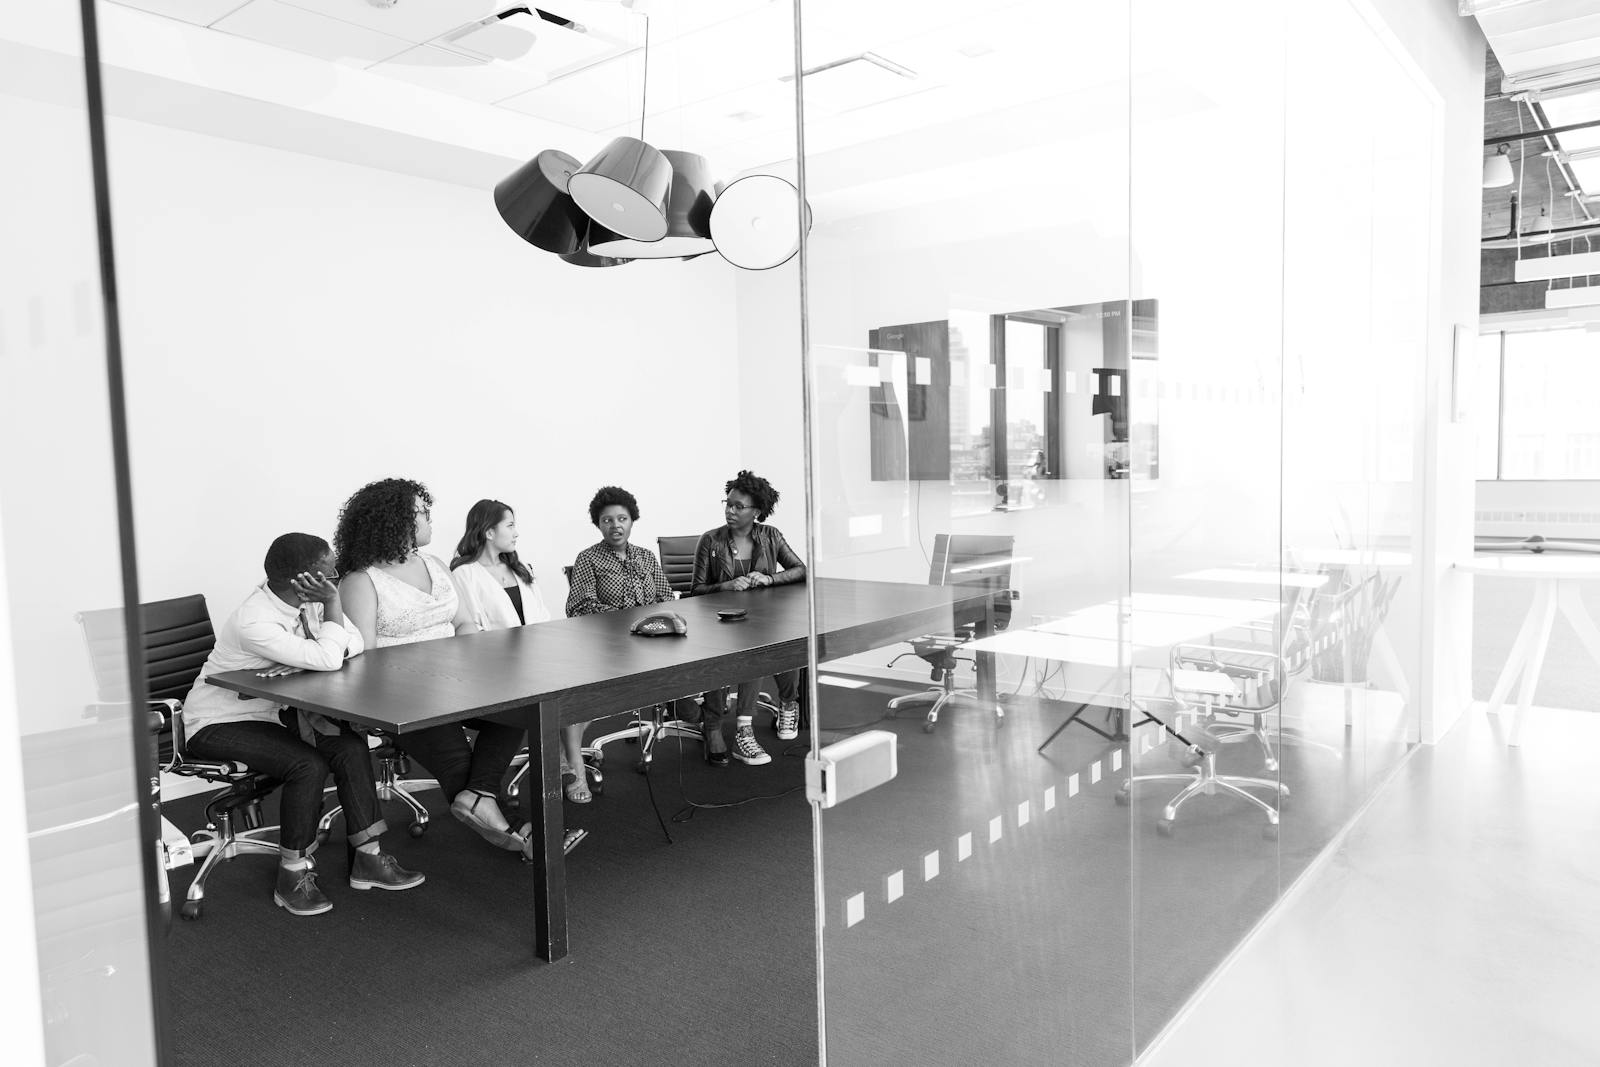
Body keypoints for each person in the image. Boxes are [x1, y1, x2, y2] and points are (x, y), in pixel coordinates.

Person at [181, 532, 423, 917]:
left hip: (277, 712)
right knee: (306, 765)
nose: (335, 579)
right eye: (330, 573)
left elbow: (354, 643)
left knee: (349, 747)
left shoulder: (307, 603)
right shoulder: (255, 620)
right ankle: (291, 874)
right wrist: (327, 621)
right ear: (304, 580)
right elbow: (330, 658)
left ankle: (369, 858)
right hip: (220, 720)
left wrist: (312, 651)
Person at [335, 478, 540, 855]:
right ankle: (524, 834)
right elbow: (365, 656)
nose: (430, 519)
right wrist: (430, 675)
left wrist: (461, 666)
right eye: (423, 512)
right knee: (457, 759)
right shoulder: (361, 581)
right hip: (401, 695)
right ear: (396, 520)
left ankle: (480, 798)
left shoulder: (434, 564)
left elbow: (463, 623)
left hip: (456, 681)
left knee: (522, 706)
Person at [448, 498, 594, 805]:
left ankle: (567, 758)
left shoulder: (518, 568)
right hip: (495, 669)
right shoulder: (465, 574)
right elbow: (471, 629)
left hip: (535, 658)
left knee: (585, 680)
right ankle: (570, 764)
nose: (516, 533)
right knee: (554, 691)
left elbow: (541, 617)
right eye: (510, 525)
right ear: (488, 532)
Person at [564, 485, 702, 757]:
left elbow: (666, 597)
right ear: (598, 525)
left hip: (655, 637)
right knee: (678, 688)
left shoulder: (646, 556)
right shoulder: (588, 559)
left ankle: (697, 711)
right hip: (613, 646)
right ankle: (683, 703)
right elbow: (578, 608)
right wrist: (627, 617)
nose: (615, 526)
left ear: (632, 520)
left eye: (622, 519)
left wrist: (658, 618)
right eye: (607, 520)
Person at [691, 470, 808, 765]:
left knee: (787, 645)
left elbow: (800, 570)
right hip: (722, 624)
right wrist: (727, 586)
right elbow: (696, 590)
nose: (730, 510)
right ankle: (742, 730)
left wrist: (770, 579)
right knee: (752, 651)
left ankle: (788, 703)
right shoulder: (711, 541)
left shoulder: (770, 536)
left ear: (757, 511)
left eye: (738, 506)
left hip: (764, 618)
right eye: (728, 503)